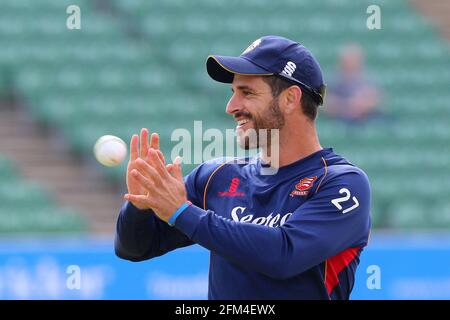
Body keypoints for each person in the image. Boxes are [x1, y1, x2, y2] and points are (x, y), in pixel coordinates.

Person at [115, 35, 371, 300]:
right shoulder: (216, 176)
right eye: (233, 93)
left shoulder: (343, 184)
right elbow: (134, 248)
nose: (231, 107)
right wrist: (140, 204)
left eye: (246, 93)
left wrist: (183, 212)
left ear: (290, 98)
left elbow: (283, 255)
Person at [324, 43, 381, 123]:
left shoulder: (367, 77)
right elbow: (325, 102)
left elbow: (376, 99)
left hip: (365, 118)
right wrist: (346, 105)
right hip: (339, 119)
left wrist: (360, 105)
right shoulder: (332, 79)